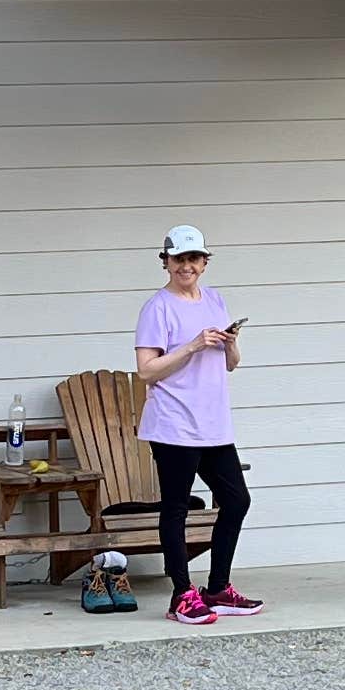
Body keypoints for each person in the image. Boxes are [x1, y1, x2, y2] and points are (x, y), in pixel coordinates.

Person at [133, 223, 259, 625]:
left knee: (236, 500)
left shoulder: (215, 300)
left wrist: (230, 343)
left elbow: (231, 364)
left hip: (213, 423)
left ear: (204, 263)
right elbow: (146, 370)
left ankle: (218, 588)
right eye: (178, 259)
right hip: (173, 423)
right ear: (165, 263)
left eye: (194, 258)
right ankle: (181, 595)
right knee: (176, 508)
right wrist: (191, 345)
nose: (186, 266)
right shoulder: (157, 308)